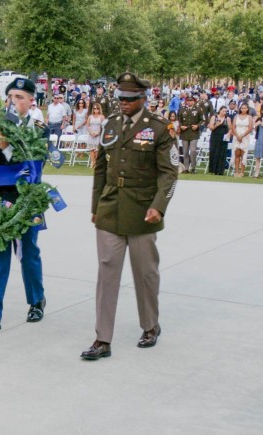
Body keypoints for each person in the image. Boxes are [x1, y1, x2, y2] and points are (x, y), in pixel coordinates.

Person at [81, 72, 178, 361]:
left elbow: (170, 172)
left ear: (142, 99)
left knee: (145, 273)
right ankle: (102, 339)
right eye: (120, 98)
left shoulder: (159, 128)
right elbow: (100, 169)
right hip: (110, 207)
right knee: (107, 272)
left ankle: (150, 326)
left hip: (143, 210)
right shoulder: (110, 124)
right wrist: (96, 206)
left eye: (129, 99)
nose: (123, 103)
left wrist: (158, 206)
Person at [0, 77, 48, 333]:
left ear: (30, 101)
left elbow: (35, 167)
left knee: (28, 254)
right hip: (0, 199)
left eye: (20, 97)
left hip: (27, 201)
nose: (14, 102)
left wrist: (6, 145)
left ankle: (36, 301)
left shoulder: (38, 128)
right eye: (11, 97)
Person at [178, 95, 205, 173]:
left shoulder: (198, 109)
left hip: (194, 132)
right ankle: (186, 168)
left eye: (191, 101)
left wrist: (197, 126)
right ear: (186, 101)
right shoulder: (183, 109)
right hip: (185, 133)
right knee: (185, 151)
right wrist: (181, 126)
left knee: (193, 150)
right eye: (188, 101)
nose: (189, 102)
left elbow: (202, 120)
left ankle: (193, 167)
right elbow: (179, 119)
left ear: (194, 101)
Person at [207, 106, 231, 175]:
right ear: (219, 111)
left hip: (224, 138)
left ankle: (220, 170)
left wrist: (229, 134)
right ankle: (213, 169)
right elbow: (211, 128)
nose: (224, 113)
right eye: (223, 111)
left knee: (222, 153)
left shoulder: (227, 119)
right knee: (214, 152)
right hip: (215, 136)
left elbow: (230, 128)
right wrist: (216, 125)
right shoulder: (214, 117)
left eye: (225, 111)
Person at [231, 102, 253, 177]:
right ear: (240, 109)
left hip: (245, 136)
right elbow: (233, 127)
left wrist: (242, 136)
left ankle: (242, 171)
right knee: (237, 153)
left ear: (247, 109)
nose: (243, 109)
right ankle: (236, 171)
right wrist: (237, 135)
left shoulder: (249, 117)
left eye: (245, 108)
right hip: (237, 135)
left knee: (243, 153)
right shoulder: (236, 116)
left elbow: (250, 128)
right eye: (242, 108)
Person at [86, 103, 105, 168]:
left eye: (97, 108)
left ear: (99, 109)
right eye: (94, 108)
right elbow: (87, 125)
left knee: (97, 150)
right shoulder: (90, 116)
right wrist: (91, 132)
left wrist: (98, 133)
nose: (96, 110)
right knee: (91, 150)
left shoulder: (102, 117)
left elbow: (103, 126)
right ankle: (92, 162)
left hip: (98, 135)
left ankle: (97, 163)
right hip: (91, 134)